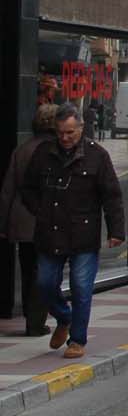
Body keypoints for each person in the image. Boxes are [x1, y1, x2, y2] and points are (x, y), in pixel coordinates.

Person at [22, 103, 124, 359]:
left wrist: (116, 230)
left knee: (81, 286)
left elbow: (111, 196)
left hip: (83, 233)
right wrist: (41, 211)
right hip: (50, 230)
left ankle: (77, 340)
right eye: (60, 133)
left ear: (81, 128)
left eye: (70, 133)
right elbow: (28, 188)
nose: (65, 138)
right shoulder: (44, 153)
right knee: (44, 283)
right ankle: (64, 317)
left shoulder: (97, 155)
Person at [0, 104, 59, 336]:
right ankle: (35, 322)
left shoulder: (22, 149)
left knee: (28, 269)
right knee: (43, 271)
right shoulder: (55, 150)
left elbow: (7, 190)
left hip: (21, 220)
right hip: (44, 220)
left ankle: (30, 315)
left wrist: (4, 224)